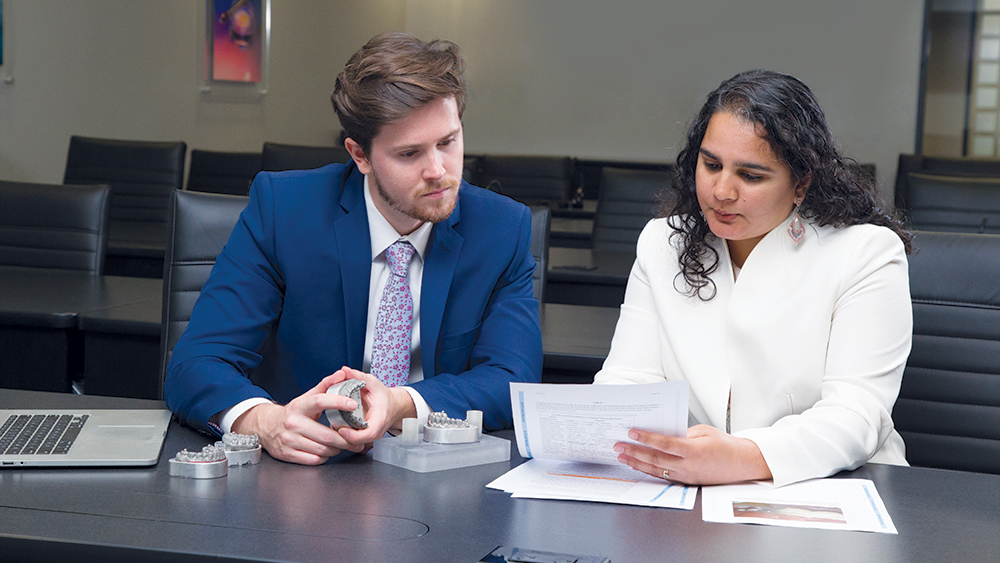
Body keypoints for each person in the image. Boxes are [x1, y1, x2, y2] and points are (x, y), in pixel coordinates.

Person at [165, 32, 542, 465]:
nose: (438, 170)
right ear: (359, 155)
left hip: (436, 475)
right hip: (301, 477)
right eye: (409, 154)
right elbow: (196, 362)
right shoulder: (283, 212)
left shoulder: (500, 228)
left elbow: (513, 380)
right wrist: (265, 421)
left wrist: (401, 403)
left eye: (448, 142)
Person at [595, 70, 913, 487]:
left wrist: (742, 457)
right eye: (711, 165)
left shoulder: (865, 253)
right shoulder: (662, 243)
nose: (721, 191)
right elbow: (627, 383)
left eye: (751, 175)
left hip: (834, 486)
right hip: (687, 488)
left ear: (801, 182)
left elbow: (856, 416)